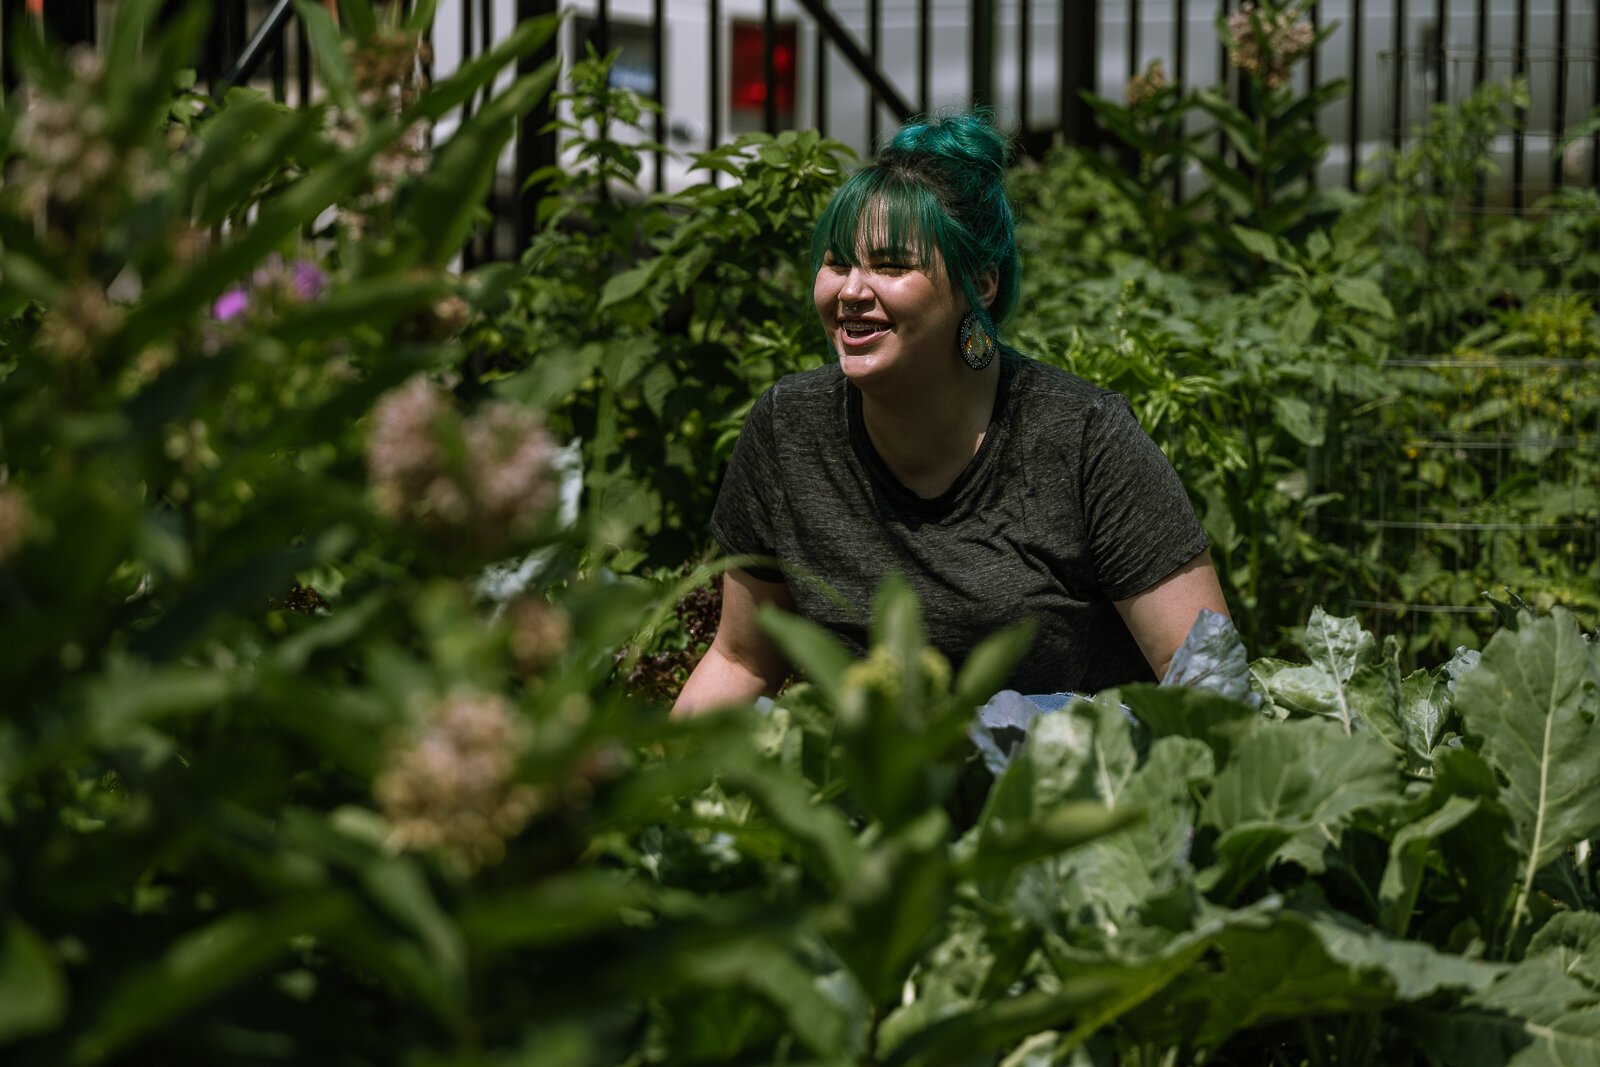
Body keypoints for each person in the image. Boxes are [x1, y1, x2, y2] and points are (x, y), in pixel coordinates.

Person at [672, 111, 1228, 717]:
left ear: (981, 284)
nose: (852, 290)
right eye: (837, 262)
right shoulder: (789, 429)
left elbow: (1205, 683)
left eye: (891, 266)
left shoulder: (1082, 438)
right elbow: (741, 660)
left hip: (1060, 790)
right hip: (867, 784)